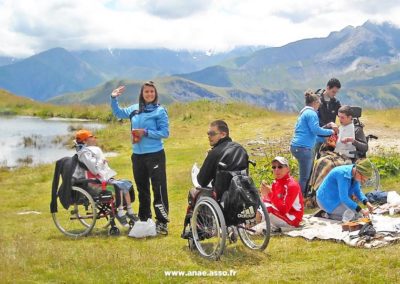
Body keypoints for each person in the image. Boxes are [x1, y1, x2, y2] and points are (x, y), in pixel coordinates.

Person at [110, 81, 170, 235]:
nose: (149, 94)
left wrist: (146, 132)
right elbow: (118, 113)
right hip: (137, 156)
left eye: (152, 91)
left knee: (159, 188)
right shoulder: (134, 109)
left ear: (155, 93)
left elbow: (165, 133)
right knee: (142, 189)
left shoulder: (160, 111)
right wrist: (113, 98)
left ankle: (162, 223)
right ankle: (144, 219)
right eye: (146, 92)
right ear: (142, 94)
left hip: (155, 154)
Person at [72, 129, 137, 227]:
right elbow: (94, 169)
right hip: (95, 185)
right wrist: (102, 161)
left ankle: (129, 210)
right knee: (117, 187)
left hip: (102, 180)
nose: (94, 138)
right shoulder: (84, 154)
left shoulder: (92, 150)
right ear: (85, 141)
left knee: (126, 184)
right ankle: (120, 213)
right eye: (91, 137)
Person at [290, 89, 337, 196]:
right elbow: (315, 130)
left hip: (297, 146)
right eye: (319, 102)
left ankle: (303, 195)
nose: (320, 104)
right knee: (305, 177)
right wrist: (331, 131)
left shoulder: (304, 112)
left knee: (306, 174)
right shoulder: (311, 113)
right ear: (315, 103)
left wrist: (324, 135)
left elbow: (313, 133)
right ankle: (300, 199)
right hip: (303, 148)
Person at [197, 120, 248, 199]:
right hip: (243, 193)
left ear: (223, 134)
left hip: (222, 198)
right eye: (208, 133)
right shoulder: (241, 149)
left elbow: (202, 181)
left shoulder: (214, 153)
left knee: (194, 193)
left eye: (212, 134)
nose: (209, 136)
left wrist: (208, 157)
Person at [259, 157, 304, 230]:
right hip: (281, 214)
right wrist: (264, 193)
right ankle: (244, 226)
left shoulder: (292, 185)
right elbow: (273, 201)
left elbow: (284, 209)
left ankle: (246, 227)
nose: (276, 169)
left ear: (287, 169)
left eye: (280, 167)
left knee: (267, 208)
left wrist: (270, 194)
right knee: (258, 203)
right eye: (274, 167)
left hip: (292, 219)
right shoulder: (275, 182)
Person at [314, 78, 342, 158]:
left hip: (330, 136)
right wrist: (328, 126)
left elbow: (341, 114)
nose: (335, 94)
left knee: (328, 159)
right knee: (312, 160)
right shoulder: (316, 100)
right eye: (333, 91)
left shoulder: (336, 102)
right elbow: (314, 118)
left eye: (336, 92)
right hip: (317, 135)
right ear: (327, 87)